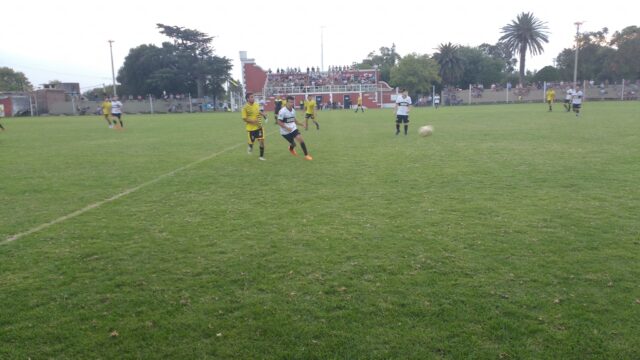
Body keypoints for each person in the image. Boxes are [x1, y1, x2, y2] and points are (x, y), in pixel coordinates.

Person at [278, 96, 312, 160]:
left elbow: (294, 120)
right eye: (290, 102)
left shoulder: (293, 110)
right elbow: (279, 122)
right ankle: (291, 149)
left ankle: (306, 155)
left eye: (292, 102)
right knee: (293, 144)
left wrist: (302, 124)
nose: (291, 104)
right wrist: (287, 128)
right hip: (285, 132)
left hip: (293, 128)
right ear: (286, 102)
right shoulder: (282, 111)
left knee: (300, 139)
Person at [241, 93, 267, 160]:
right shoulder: (245, 108)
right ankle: (250, 146)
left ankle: (261, 156)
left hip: (259, 127)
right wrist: (253, 121)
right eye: (251, 97)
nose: (253, 98)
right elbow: (244, 118)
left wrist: (263, 114)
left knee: (261, 141)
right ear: (248, 99)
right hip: (251, 129)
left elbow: (258, 112)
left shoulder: (256, 104)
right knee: (251, 142)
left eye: (253, 97)